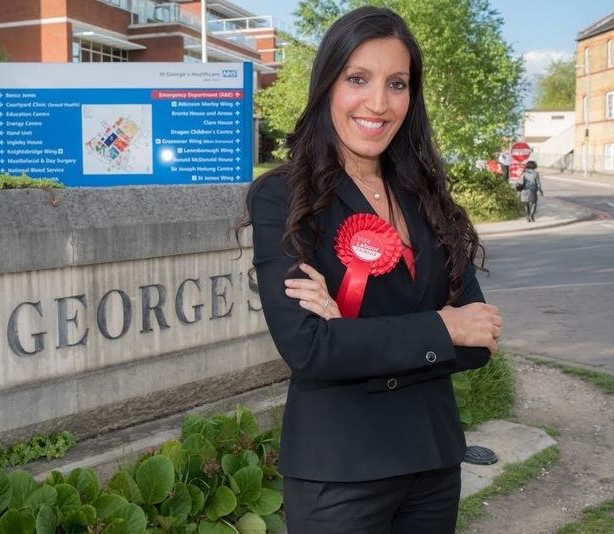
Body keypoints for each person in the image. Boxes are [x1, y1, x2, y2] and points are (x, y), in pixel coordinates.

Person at [236, 6, 502, 534]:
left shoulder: (427, 198)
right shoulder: (283, 197)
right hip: (340, 471)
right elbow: (309, 348)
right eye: (358, 78)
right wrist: (441, 327)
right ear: (328, 84)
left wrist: (352, 335)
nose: (378, 103)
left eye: (397, 83)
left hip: (432, 460)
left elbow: (480, 342)